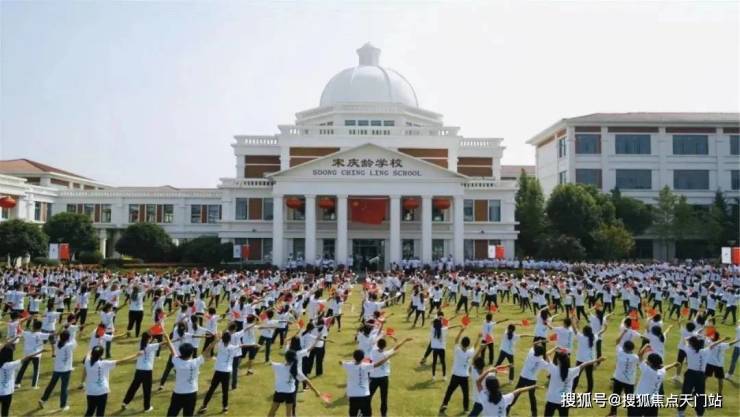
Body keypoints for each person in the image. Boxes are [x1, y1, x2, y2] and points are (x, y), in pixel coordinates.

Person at [198, 331, 254, 414]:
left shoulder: (220, 345)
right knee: (225, 391)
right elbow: (242, 345)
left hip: (218, 371)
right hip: (226, 372)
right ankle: (225, 407)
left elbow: (213, 343)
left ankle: (204, 406)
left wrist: (217, 337)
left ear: (222, 339)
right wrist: (254, 345)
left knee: (211, 389)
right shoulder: (233, 347)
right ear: (230, 339)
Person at [162, 331, 212, 417]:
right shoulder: (196, 362)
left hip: (178, 393)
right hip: (191, 393)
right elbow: (207, 350)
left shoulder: (177, 361)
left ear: (181, 352)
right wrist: (216, 340)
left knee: (171, 414)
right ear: (192, 353)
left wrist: (167, 338)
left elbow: (172, 349)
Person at [543, 351, 604, 417]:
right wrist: (598, 360)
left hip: (552, 399)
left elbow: (546, 354)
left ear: (558, 360)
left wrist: (555, 348)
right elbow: (584, 364)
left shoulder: (553, 369)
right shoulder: (572, 372)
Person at [82, 345, 138, 417]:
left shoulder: (87, 362)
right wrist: (136, 355)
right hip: (102, 391)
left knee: (90, 411)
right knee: (100, 413)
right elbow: (122, 361)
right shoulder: (104, 363)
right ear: (101, 355)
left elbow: (88, 354)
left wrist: (92, 349)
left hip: (90, 391)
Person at [340, 348, 396, 417]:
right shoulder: (366, 366)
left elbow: (340, 362)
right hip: (364, 395)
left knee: (353, 415)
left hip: (353, 395)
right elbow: (378, 364)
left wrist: (351, 361)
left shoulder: (348, 365)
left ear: (354, 357)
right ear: (363, 358)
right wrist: (388, 357)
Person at [267, 350, 323, 417]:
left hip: (279, 392)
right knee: (289, 414)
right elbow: (306, 381)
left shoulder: (277, 366)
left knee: (273, 410)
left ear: (285, 358)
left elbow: (271, 363)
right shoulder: (296, 371)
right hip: (290, 393)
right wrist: (316, 391)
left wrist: (270, 360)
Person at [369, 337, 412, 417]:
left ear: (377, 345)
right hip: (384, 379)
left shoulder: (373, 351)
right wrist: (405, 340)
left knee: (369, 396)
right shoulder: (387, 354)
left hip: (373, 378)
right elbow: (397, 347)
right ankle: (384, 415)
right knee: (384, 398)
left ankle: (365, 413)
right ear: (385, 346)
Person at [627, 350, 679, 417]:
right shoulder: (661, 373)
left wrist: (646, 346)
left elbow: (639, 355)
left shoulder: (646, 370)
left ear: (650, 363)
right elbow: (664, 368)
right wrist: (674, 364)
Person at [0, 338, 42, 417]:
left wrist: (5, 343)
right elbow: (26, 358)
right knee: (5, 413)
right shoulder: (11, 364)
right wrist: (39, 352)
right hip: (7, 393)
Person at [121, 332, 161, 412]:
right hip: (147, 371)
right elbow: (164, 343)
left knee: (133, 387)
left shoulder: (140, 344)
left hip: (139, 370)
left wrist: (152, 340)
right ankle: (147, 407)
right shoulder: (152, 346)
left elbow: (146, 343)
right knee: (147, 390)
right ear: (149, 338)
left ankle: (125, 402)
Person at [39, 329, 77, 411]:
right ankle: (63, 406)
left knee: (51, 385)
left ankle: (43, 399)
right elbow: (74, 340)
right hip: (66, 370)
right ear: (67, 338)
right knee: (64, 388)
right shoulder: (70, 345)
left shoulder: (57, 343)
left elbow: (53, 337)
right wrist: (70, 331)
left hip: (57, 369)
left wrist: (61, 332)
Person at [15, 320, 49, 389]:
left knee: (23, 368)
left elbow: (19, 329)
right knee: (36, 370)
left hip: (27, 354)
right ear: (40, 327)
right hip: (36, 355)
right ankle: (34, 385)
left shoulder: (27, 333)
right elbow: (54, 335)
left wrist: (19, 322)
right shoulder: (41, 334)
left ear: (33, 326)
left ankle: (17, 383)